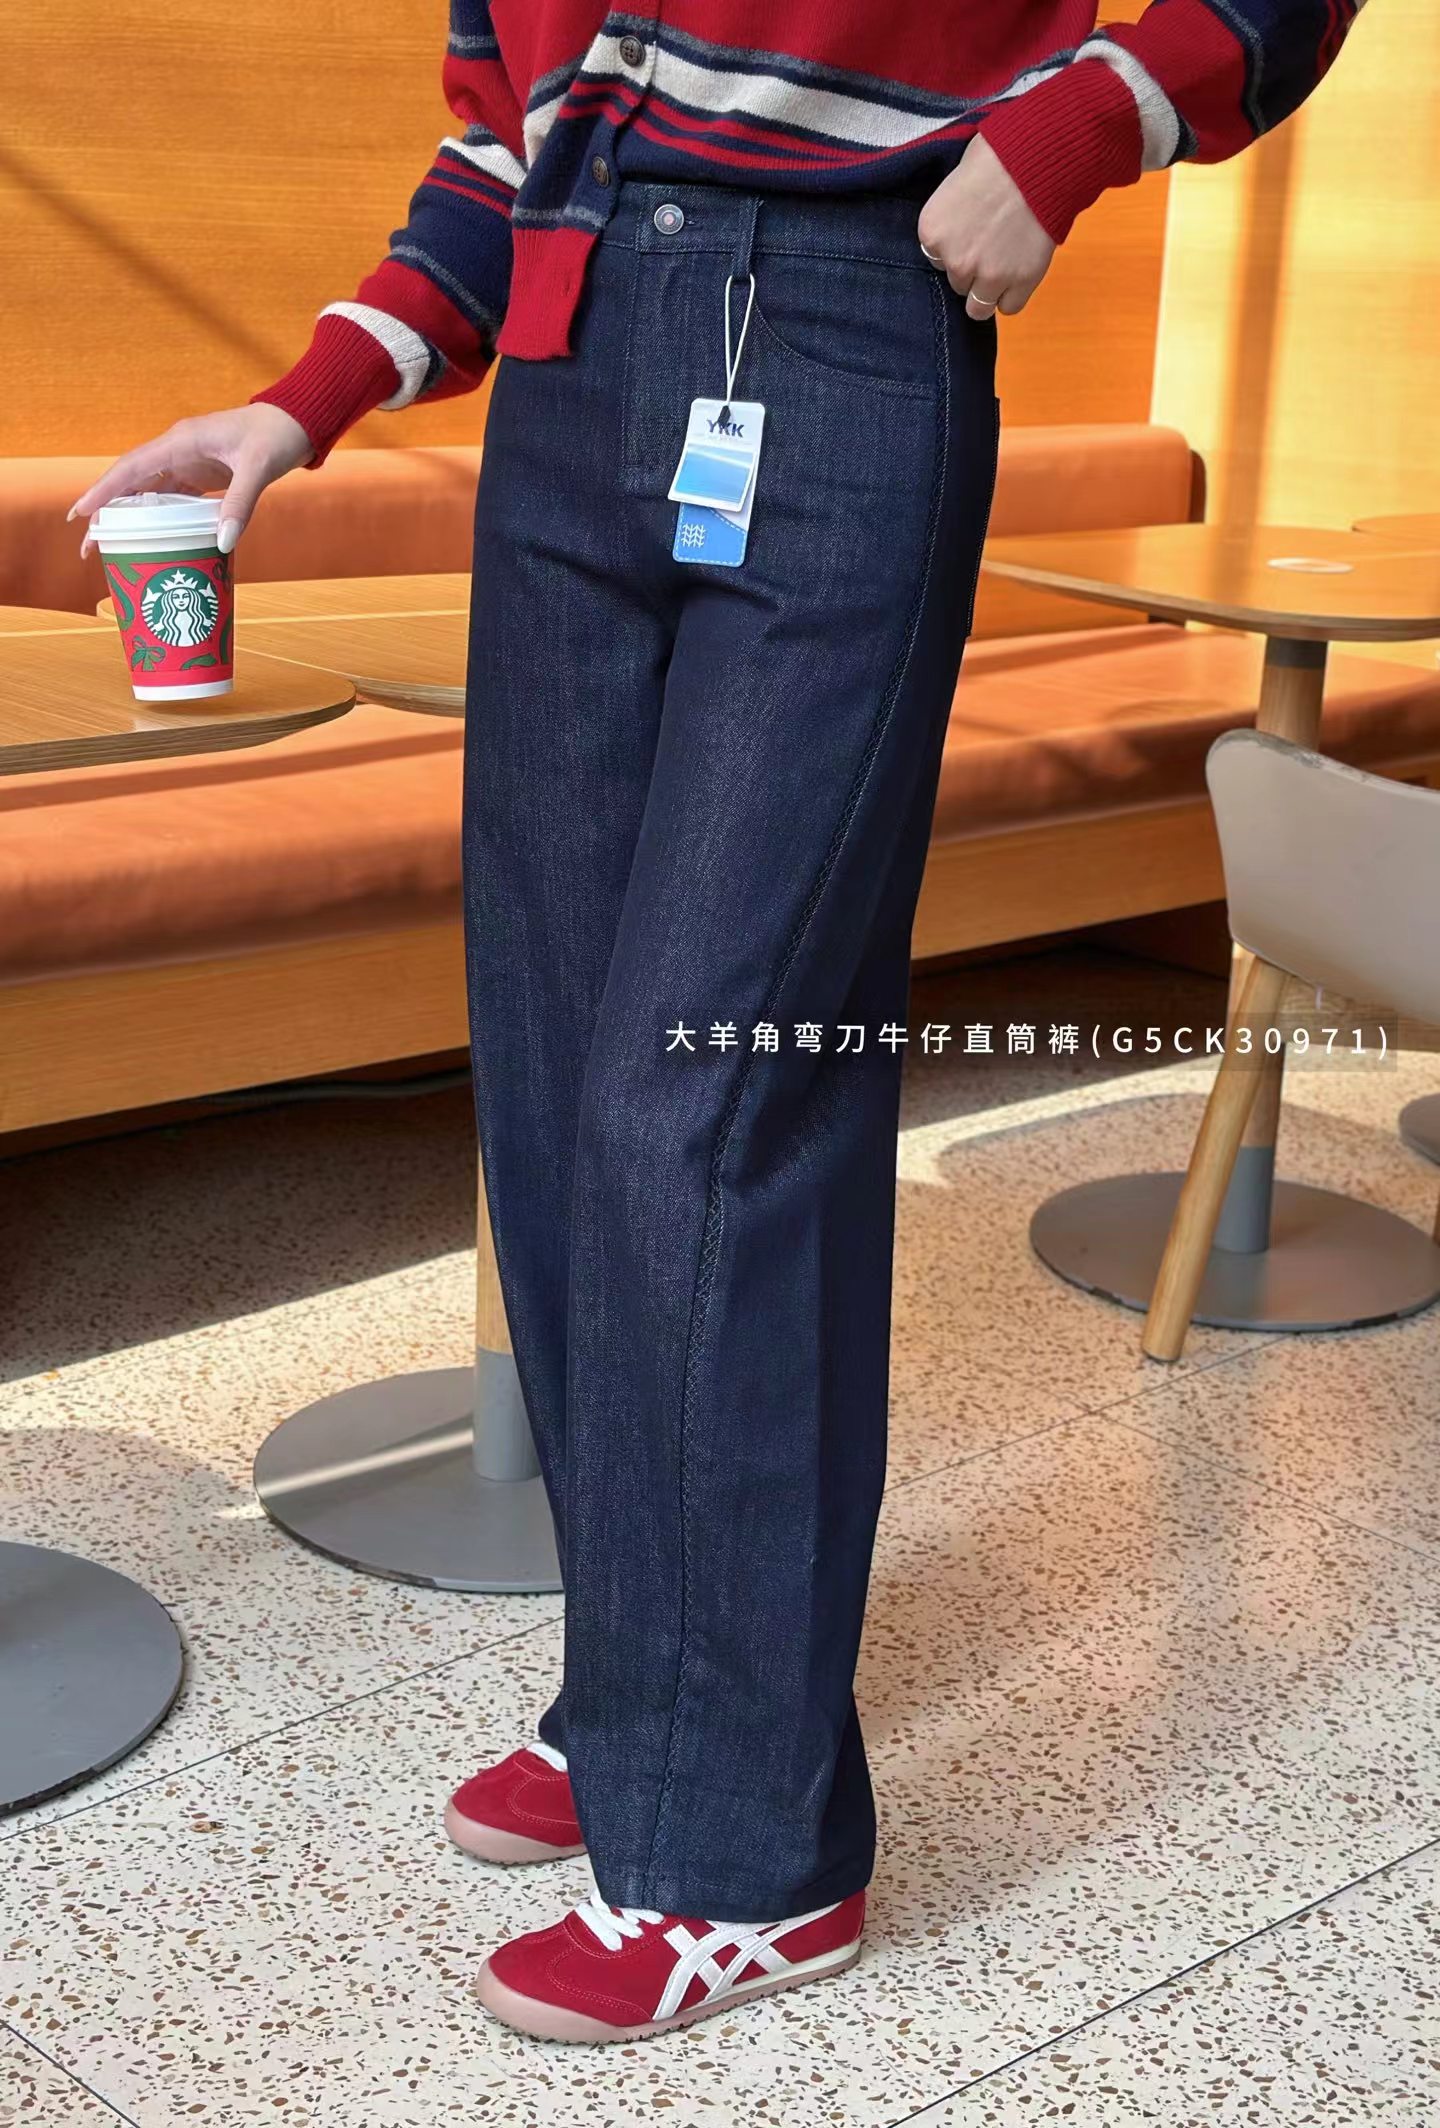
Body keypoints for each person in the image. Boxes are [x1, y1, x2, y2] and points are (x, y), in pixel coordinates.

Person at [72, 0, 1359, 2047]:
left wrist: (1081, 124)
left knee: (706, 1108)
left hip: (846, 331)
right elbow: (502, 141)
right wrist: (299, 406)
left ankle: (752, 1857)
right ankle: (638, 1704)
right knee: (557, 1086)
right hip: (567, 375)